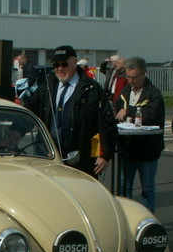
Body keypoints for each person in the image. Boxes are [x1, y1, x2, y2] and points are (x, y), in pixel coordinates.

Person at [25, 45, 116, 178]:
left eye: (64, 64)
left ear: (74, 62)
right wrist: (12, 135)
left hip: (81, 159)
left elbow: (106, 122)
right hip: (50, 158)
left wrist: (106, 155)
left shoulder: (92, 89)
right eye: (56, 65)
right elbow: (29, 113)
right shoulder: (47, 87)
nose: (60, 68)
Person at [112, 57, 165, 213]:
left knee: (147, 189)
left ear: (144, 74)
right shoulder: (125, 91)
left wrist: (130, 111)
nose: (131, 81)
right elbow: (117, 110)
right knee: (124, 188)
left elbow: (153, 115)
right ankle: (126, 218)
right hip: (127, 149)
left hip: (147, 150)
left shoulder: (154, 93)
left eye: (134, 77)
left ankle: (148, 219)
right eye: (128, 77)